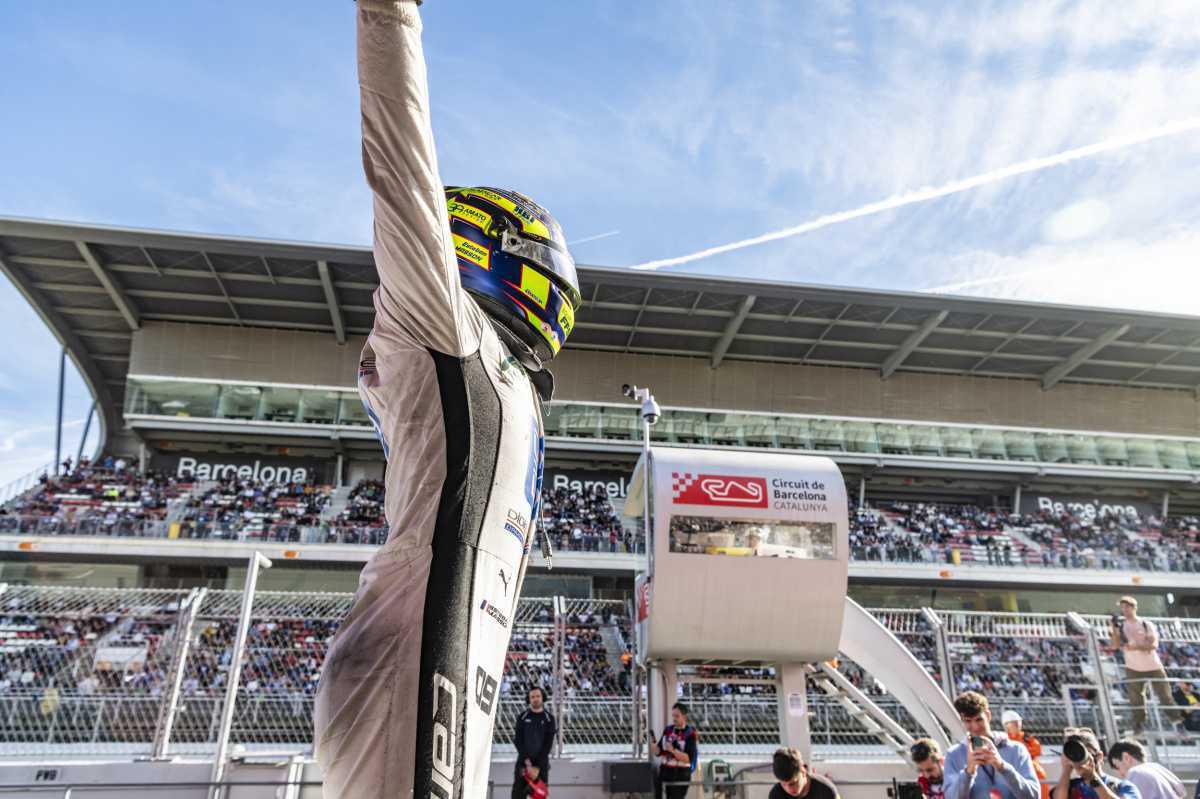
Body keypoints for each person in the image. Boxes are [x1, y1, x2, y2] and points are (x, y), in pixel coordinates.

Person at [312, 2, 582, 797]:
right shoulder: (467, 345)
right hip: (416, 660)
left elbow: (403, 169)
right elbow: (400, 165)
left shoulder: (493, 369)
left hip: (421, 655)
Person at [943, 691, 1041, 799]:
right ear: (962, 720)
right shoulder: (954, 755)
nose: (975, 727)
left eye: (979, 719)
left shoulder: (1016, 749)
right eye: (968, 721)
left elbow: (1034, 796)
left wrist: (1002, 767)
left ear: (988, 715)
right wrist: (968, 772)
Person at [1109, 596, 1184, 735]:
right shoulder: (1121, 626)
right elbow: (1114, 646)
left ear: (1133, 607)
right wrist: (1114, 629)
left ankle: (1178, 723)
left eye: (1127, 607)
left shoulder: (1146, 624)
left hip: (1154, 666)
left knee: (1165, 696)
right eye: (1122, 607)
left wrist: (1136, 646)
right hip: (1133, 667)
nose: (1124, 610)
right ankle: (1139, 725)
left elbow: (1153, 645)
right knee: (1136, 698)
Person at [1052, 728, 1140, 799]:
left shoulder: (1121, 786)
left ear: (1099, 756)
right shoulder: (1070, 787)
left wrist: (1093, 779)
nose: (1080, 758)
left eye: (1084, 753)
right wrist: (1066, 769)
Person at [512, 687, 557, 799]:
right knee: (517, 795)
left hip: (540, 765)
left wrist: (536, 767)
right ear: (529, 699)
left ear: (543, 698)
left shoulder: (549, 719)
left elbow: (548, 744)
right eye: (532, 697)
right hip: (523, 764)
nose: (535, 699)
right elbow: (518, 741)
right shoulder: (522, 717)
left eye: (538, 696)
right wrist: (528, 764)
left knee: (540, 796)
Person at [649, 703, 698, 799]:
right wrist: (655, 748)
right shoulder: (668, 730)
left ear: (684, 717)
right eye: (673, 716)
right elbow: (660, 752)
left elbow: (688, 759)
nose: (674, 718)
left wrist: (673, 751)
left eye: (677, 716)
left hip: (680, 773)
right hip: (665, 771)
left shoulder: (690, 733)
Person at [1107, 739, 1184, 799]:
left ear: (1126, 758)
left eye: (1118, 767)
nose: (1120, 774)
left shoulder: (1136, 773)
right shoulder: (1156, 768)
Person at [1003, 709, 1050, 799]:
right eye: (1014, 722)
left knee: (1040, 779)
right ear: (1006, 725)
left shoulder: (1026, 738)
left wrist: (1023, 751)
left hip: (1033, 768)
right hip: (1014, 768)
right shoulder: (1004, 740)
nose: (1017, 724)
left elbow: (1037, 749)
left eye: (1018, 722)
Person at [770, 746, 840, 799]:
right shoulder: (776, 794)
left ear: (803, 771)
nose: (789, 789)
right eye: (783, 784)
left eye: (793, 783)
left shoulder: (826, 791)